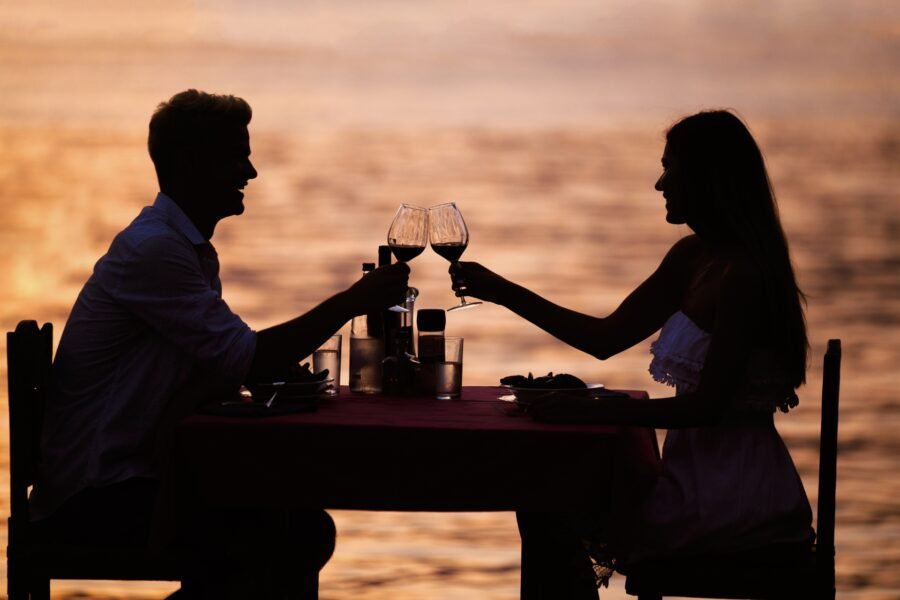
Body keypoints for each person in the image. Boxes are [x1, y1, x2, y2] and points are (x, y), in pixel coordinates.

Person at [29, 89, 410, 599]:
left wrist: (261, 370)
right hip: (96, 495)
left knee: (295, 524)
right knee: (289, 533)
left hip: (134, 478)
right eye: (237, 156)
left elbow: (228, 361)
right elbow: (244, 355)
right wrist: (351, 302)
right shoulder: (156, 250)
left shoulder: (181, 247)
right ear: (190, 164)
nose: (250, 172)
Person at [449, 109, 814, 598]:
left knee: (547, 497)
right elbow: (605, 338)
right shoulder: (692, 257)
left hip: (735, 494)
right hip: (689, 476)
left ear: (706, 178)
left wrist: (593, 409)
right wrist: (501, 291)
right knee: (545, 492)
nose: (659, 183)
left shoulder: (743, 277)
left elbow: (707, 407)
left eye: (670, 167)